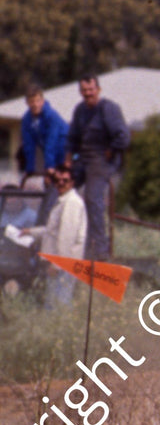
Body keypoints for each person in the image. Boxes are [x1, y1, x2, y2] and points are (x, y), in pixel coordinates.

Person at [66, 73, 129, 260]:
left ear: (98, 90)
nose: (88, 94)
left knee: (93, 198)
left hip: (101, 160)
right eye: (84, 90)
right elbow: (72, 138)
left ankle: (100, 249)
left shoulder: (108, 109)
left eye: (91, 89)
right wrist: (67, 160)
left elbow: (123, 137)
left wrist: (111, 150)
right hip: (82, 159)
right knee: (58, 189)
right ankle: (65, 240)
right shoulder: (80, 110)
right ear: (80, 92)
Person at [25, 164, 86, 305]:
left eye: (65, 180)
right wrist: (30, 232)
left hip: (65, 264)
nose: (60, 183)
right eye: (57, 180)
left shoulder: (71, 203)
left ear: (72, 183)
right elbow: (53, 231)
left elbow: (66, 237)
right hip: (61, 262)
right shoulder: (62, 201)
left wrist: (57, 265)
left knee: (59, 304)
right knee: (54, 302)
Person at [18, 84, 68, 222]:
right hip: (51, 155)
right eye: (31, 101)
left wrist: (50, 166)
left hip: (65, 152)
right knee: (49, 191)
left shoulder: (52, 116)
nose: (35, 104)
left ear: (43, 100)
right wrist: (30, 168)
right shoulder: (27, 120)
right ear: (27, 102)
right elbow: (29, 145)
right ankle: (46, 221)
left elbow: (52, 142)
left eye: (37, 100)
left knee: (59, 186)